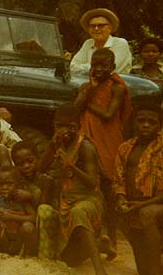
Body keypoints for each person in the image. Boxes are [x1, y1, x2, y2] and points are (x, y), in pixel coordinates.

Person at [36, 103, 108, 275]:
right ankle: (99, 245)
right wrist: (52, 147)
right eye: (59, 126)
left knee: (79, 212)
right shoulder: (57, 143)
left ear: (79, 126)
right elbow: (40, 169)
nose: (64, 130)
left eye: (71, 127)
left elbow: (92, 183)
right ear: (54, 125)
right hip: (66, 202)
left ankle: (100, 270)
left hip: (89, 201)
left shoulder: (85, 147)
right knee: (70, 260)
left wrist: (71, 166)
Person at [75, 48, 132, 246]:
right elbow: (76, 108)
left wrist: (88, 101)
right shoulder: (86, 86)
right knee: (88, 184)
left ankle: (113, 238)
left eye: (103, 66)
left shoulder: (118, 87)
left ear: (113, 67)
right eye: (94, 65)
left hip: (108, 139)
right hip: (88, 138)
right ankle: (92, 236)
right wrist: (89, 89)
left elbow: (108, 115)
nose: (98, 69)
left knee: (108, 186)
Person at [114, 104, 163, 275]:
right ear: (134, 123)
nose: (146, 125)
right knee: (122, 216)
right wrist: (121, 200)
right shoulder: (125, 148)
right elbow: (118, 179)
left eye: (152, 122)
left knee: (146, 214)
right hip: (135, 206)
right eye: (141, 121)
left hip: (155, 207)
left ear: (160, 126)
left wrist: (140, 206)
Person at [70, 8, 132, 75]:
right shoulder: (88, 43)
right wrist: (94, 68)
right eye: (92, 26)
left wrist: (84, 68)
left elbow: (110, 70)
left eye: (101, 25)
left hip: (117, 84)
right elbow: (73, 67)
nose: (96, 29)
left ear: (110, 28)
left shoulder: (120, 43)